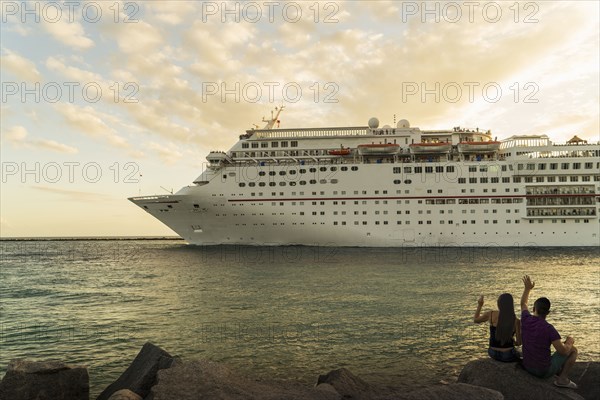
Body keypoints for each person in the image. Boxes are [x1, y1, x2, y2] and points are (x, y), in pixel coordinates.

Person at [520, 275, 578, 389]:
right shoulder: (549, 329)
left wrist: (527, 289)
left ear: (533, 309)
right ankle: (562, 379)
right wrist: (570, 341)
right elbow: (563, 351)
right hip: (542, 372)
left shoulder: (526, 319)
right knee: (573, 350)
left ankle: (558, 372)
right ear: (548, 313)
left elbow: (523, 304)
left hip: (527, 366)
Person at [474, 293, 522, 362]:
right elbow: (519, 343)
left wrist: (480, 305)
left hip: (492, 352)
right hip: (508, 355)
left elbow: (476, 320)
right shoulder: (516, 321)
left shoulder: (491, 314)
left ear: (498, 304)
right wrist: (513, 341)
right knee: (520, 353)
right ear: (511, 305)